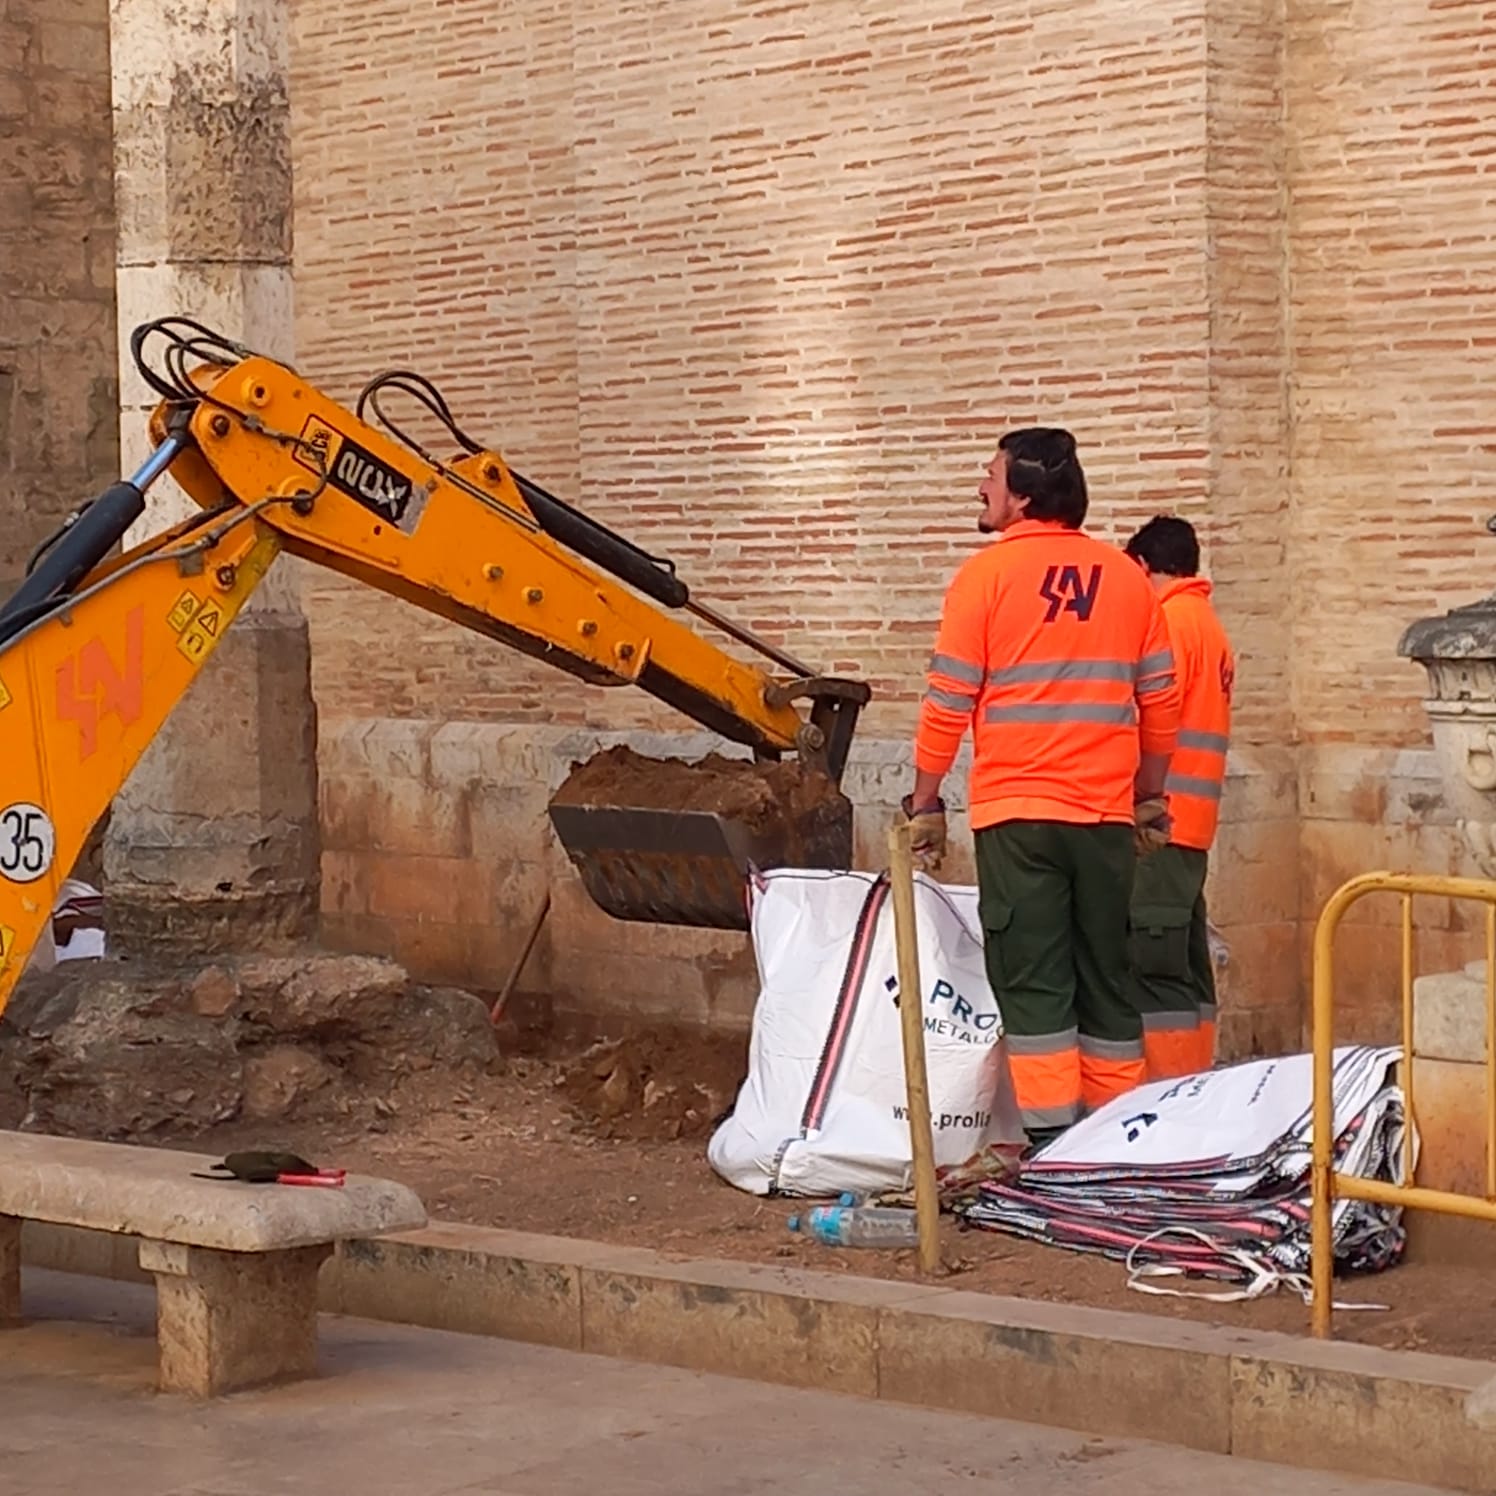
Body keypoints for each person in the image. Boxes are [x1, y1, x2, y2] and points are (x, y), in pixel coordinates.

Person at [901, 428, 1181, 1147]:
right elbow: (1161, 699)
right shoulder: (1125, 578)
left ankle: (1057, 1151)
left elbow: (948, 702)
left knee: (1035, 985)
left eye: (990, 474)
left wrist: (926, 800)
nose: (980, 485)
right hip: (1105, 818)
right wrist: (1149, 794)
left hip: (1019, 818)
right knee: (1107, 979)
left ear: (1023, 495)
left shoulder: (984, 579)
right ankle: (1120, 1144)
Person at [1122, 515, 1235, 1077]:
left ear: (1143, 566)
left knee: (1152, 966)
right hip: (1193, 823)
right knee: (1188, 964)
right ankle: (1196, 1077)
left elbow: (1146, 722)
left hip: (1158, 824)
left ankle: (1164, 1093)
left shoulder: (1166, 625)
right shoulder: (1207, 625)